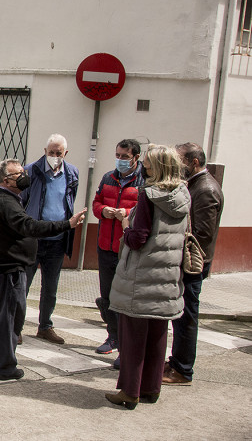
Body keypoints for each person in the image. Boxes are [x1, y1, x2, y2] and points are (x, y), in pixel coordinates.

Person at [0, 159, 85, 381]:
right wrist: (66, 224)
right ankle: (5, 367)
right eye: (18, 174)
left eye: (23, 171)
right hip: (6, 270)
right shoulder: (5, 201)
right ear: (6, 180)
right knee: (9, 319)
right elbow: (29, 226)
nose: (24, 176)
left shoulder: (4, 198)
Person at [105, 145, 188, 409]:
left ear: (157, 167)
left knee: (133, 337)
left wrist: (126, 226)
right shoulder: (183, 195)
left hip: (142, 276)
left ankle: (130, 391)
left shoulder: (149, 196)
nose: (145, 168)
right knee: (157, 334)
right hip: (167, 274)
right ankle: (151, 388)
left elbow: (138, 238)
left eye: (149, 164)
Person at [163, 143, 224, 385]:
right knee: (180, 315)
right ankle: (177, 361)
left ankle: (182, 369)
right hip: (189, 262)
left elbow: (202, 234)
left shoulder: (206, 189)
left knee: (187, 316)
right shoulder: (196, 185)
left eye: (181, 161)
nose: (178, 166)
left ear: (194, 162)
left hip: (193, 264)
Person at [20, 134, 79, 344]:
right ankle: (16, 327)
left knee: (51, 288)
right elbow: (21, 203)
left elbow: (68, 201)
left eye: (59, 153)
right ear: (45, 151)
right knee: (23, 285)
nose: (55, 156)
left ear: (65, 154)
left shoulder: (72, 173)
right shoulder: (30, 171)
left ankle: (45, 326)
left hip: (57, 239)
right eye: (51, 152)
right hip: (34, 238)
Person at [92, 138, 144, 360]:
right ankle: (111, 336)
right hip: (106, 245)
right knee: (108, 294)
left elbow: (144, 211)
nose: (120, 160)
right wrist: (104, 210)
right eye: (118, 156)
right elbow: (96, 203)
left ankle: (125, 340)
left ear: (136, 158)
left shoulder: (144, 181)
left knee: (126, 297)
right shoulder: (108, 177)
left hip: (129, 249)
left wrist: (126, 213)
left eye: (125, 156)